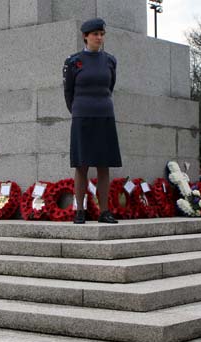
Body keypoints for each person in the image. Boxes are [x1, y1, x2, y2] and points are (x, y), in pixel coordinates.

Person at [63, 18, 120, 224]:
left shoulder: (110, 61)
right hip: (82, 117)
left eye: (102, 34)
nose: (99, 37)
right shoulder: (73, 62)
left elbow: (110, 87)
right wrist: (79, 110)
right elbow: (68, 92)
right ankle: (80, 210)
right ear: (85, 36)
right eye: (95, 34)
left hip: (104, 116)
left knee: (104, 165)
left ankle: (104, 211)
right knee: (81, 165)